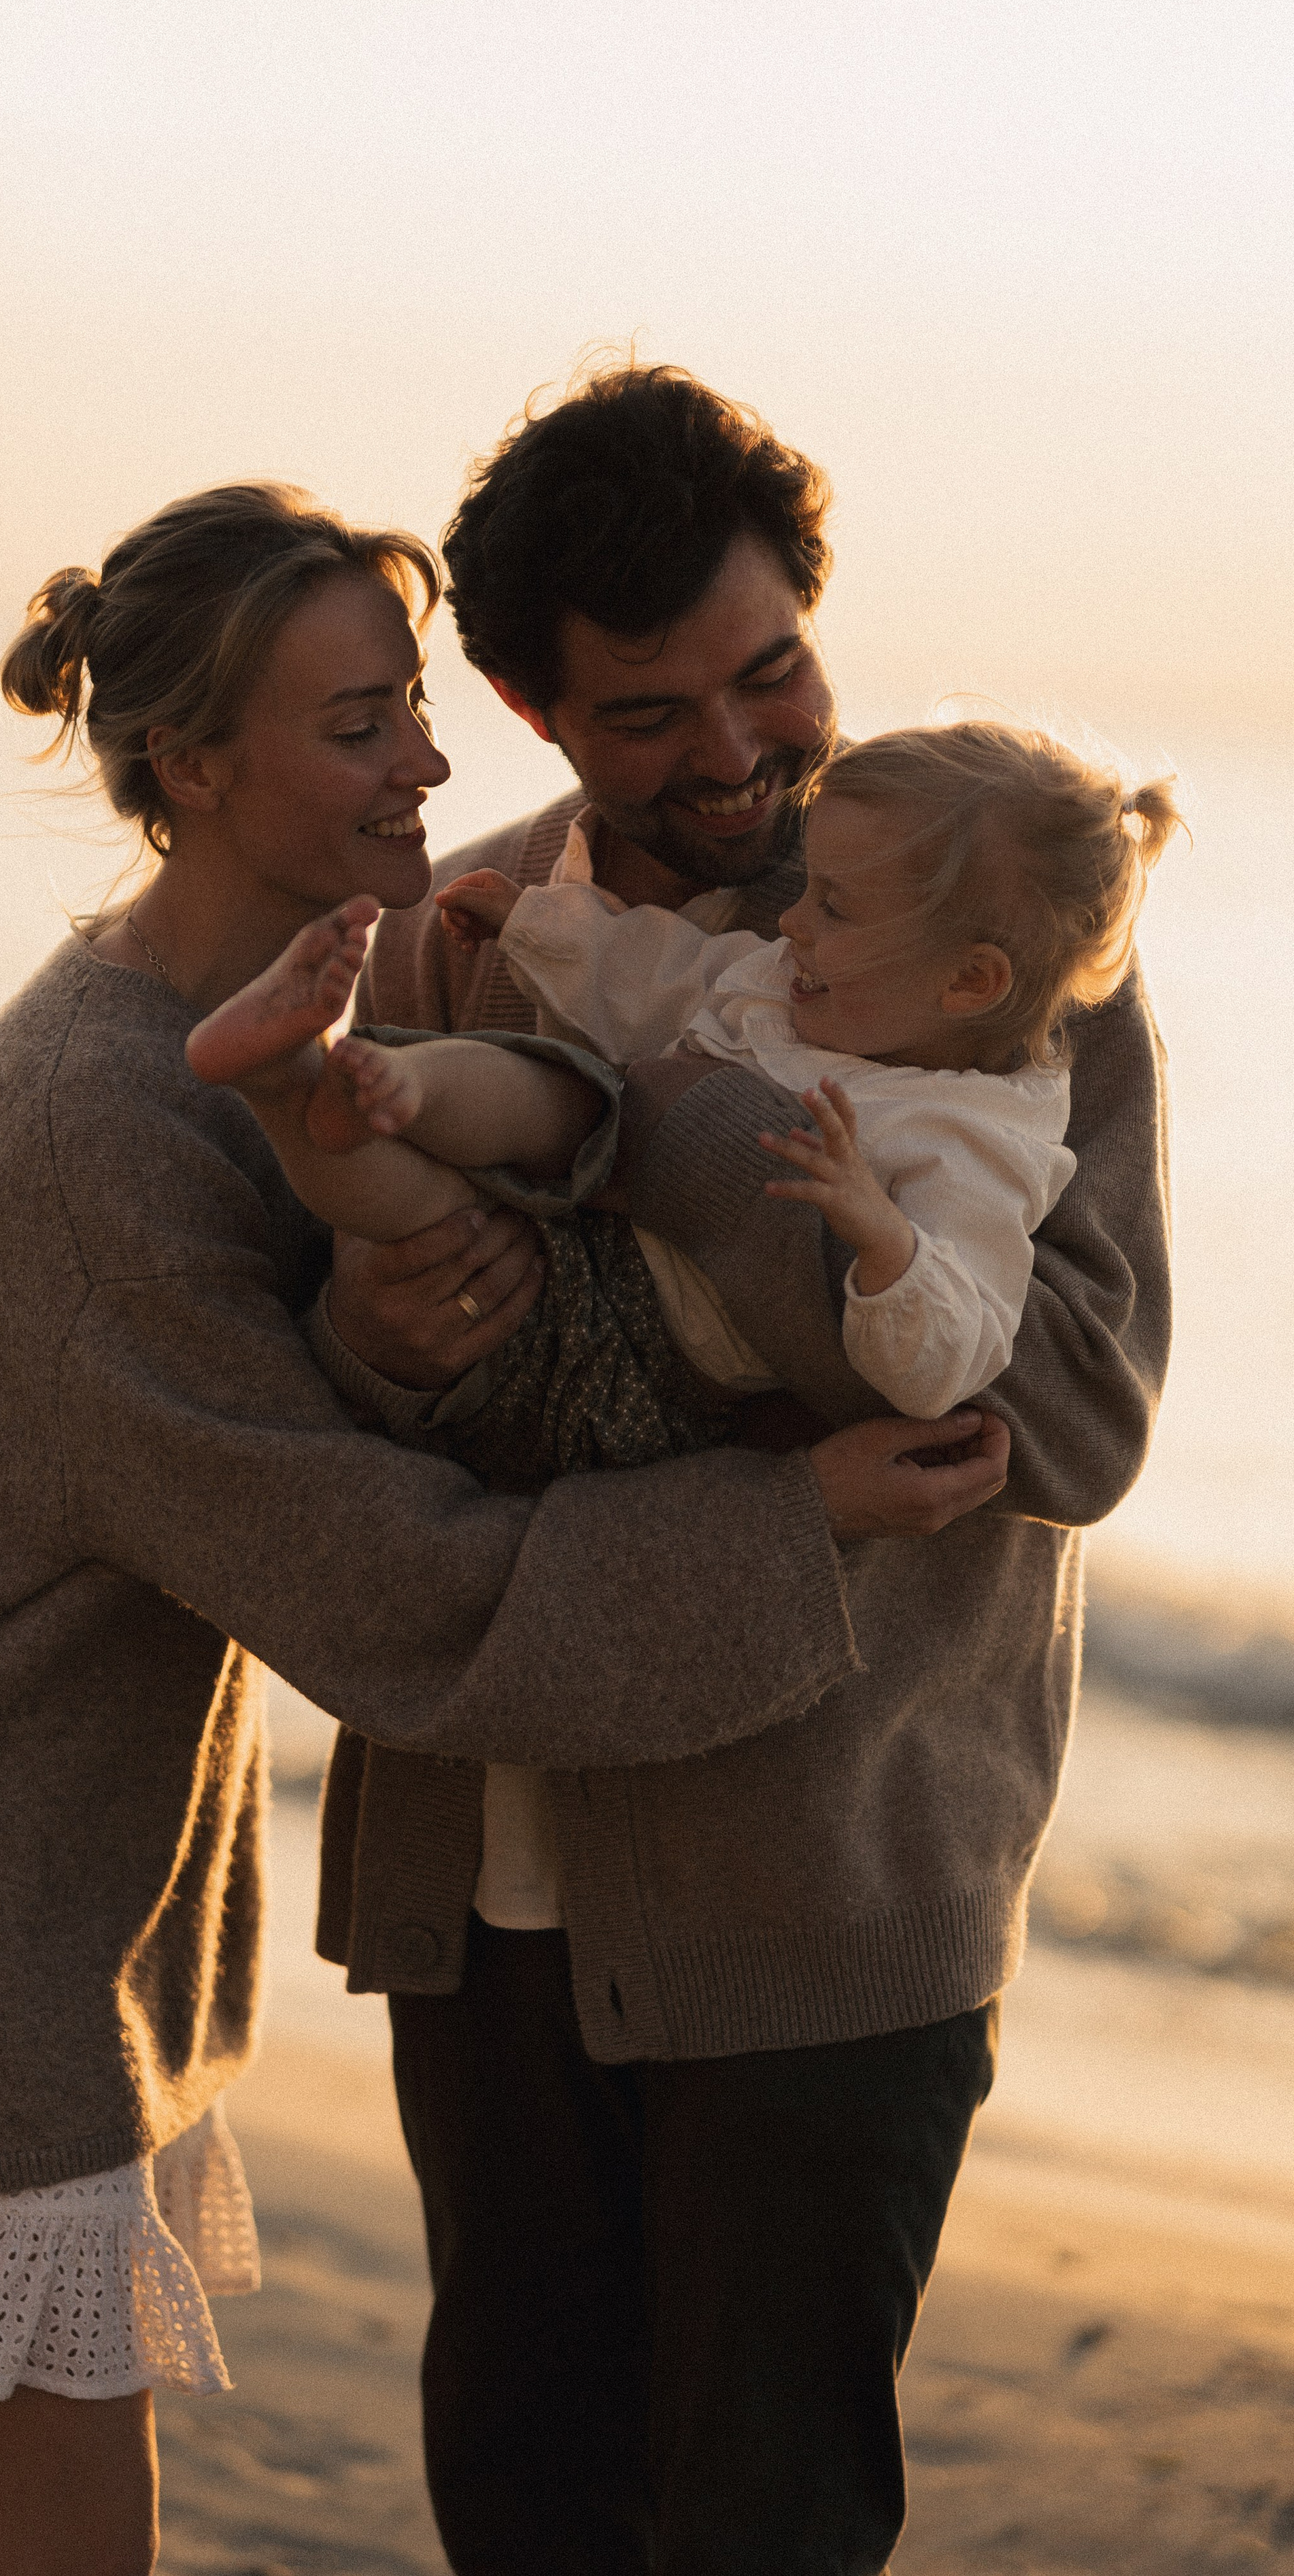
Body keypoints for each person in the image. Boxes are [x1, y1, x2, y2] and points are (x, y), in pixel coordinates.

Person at [0, 479, 1003, 2576]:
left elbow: (431, 1315)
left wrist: (398, 1297)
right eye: (364, 723)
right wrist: (799, 1521)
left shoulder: (295, 1020)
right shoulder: (102, 1130)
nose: (436, 759)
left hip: (50, 1879)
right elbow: (393, 1585)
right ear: (197, 767)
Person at [312, 367, 1172, 2576]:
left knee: (761, 2524)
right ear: (522, 706)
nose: (737, 751)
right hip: (485, 1872)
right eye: (647, 713)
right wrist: (372, 1339)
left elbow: (1064, 1421)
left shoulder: (1005, 948)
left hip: (834, 1903)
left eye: (770, 665)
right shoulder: (472, 932)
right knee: (518, 2491)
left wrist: (678, 1131)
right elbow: (386, 1396)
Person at [189, 719, 1178, 1425]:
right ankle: (358, 1079)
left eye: (833, 908)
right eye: (652, 706)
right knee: (531, 1091)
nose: (791, 919)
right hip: (590, 1193)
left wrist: (879, 1234)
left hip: (647, 1349)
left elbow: (951, 1359)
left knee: (423, 1211)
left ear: (969, 981)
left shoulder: (975, 1143)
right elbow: (661, 975)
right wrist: (530, 924)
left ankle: (284, 1087)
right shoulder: (794, 989)